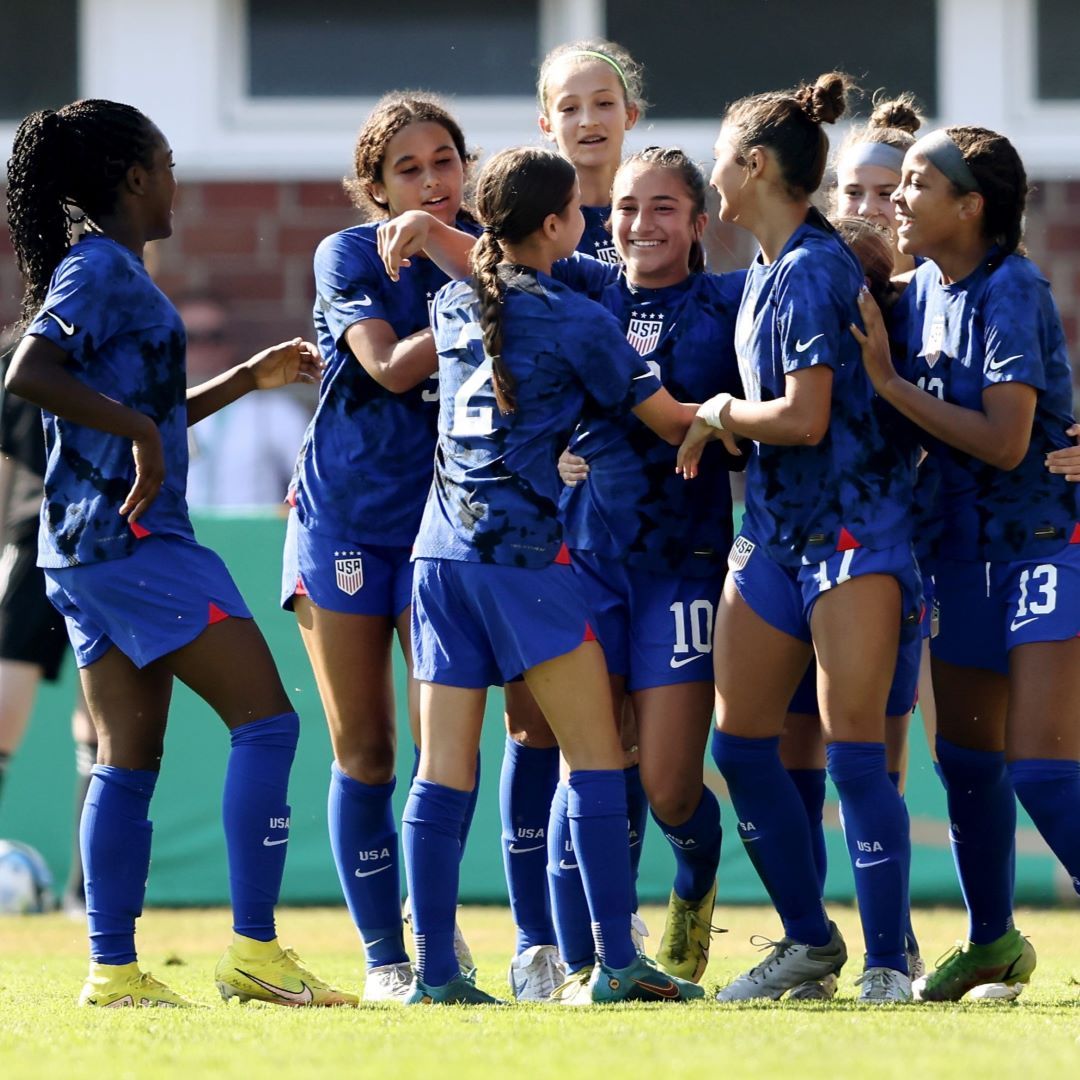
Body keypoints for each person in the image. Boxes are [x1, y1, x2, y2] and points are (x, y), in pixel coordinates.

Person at [4, 98, 352, 1008]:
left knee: (127, 759)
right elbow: (25, 373)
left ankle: (112, 971)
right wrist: (146, 444)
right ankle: (255, 954)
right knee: (268, 724)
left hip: (80, 551)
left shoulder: (108, 271)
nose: (175, 179)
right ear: (131, 178)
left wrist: (244, 378)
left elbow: (141, 405)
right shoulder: (102, 269)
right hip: (137, 538)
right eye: (164, 161)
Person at [402, 145, 704, 1005]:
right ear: (553, 225)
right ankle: (614, 962)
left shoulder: (459, 300)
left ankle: (434, 975)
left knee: (443, 772)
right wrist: (731, 414)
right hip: (524, 563)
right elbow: (667, 419)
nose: (591, 226)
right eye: (579, 213)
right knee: (597, 761)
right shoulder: (578, 321)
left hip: (439, 560)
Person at [679, 72, 921, 1004]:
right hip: (774, 537)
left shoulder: (815, 267)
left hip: (852, 534)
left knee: (856, 749)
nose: (711, 176)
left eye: (717, 161)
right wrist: (728, 417)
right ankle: (811, 944)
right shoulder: (770, 271)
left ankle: (892, 962)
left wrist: (723, 411)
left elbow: (809, 417)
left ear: (752, 165)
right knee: (741, 746)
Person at [852, 124, 1080, 1002]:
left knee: (1046, 771)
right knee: (967, 762)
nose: (896, 198)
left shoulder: (1012, 289)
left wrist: (889, 385)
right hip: (957, 554)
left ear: (972, 205)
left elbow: (1005, 438)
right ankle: (992, 946)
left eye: (914, 183)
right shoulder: (923, 292)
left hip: (1042, 549)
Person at [284, 93, 480, 1001]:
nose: (433, 181)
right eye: (410, 167)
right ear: (374, 185)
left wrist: (483, 265)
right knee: (366, 750)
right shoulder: (350, 253)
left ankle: (438, 936)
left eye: (446, 160)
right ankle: (383, 958)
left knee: (448, 753)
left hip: (447, 528)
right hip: (347, 520)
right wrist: (489, 294)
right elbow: (388, 367)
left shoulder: (482, 243)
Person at [551, 147, 744, 991]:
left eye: (663, 208)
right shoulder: (584, 290)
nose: (641, 224)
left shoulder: (731, 304)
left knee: (669, 787)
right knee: (592, 763)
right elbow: (491, 275)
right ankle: (590, 958)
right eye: (628, 207)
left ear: (699, 223)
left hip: (685, 565)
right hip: (585, 563)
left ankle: (695, 880)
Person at [0, 343, 94, 916]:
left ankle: (86, 892)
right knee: (103, 724)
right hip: (77, 534)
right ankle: (87, 894)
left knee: (102, 725)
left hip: (61, 535)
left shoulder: (21, 347)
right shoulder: (128, 327)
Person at [182, 295, 312, 509]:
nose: (203, 348)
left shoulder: (275, 410)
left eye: (215, 337)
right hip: (173, 537)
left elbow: (311, 484)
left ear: (231, 342)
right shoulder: (153, 407)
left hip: (254, 538)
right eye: (190, 338)